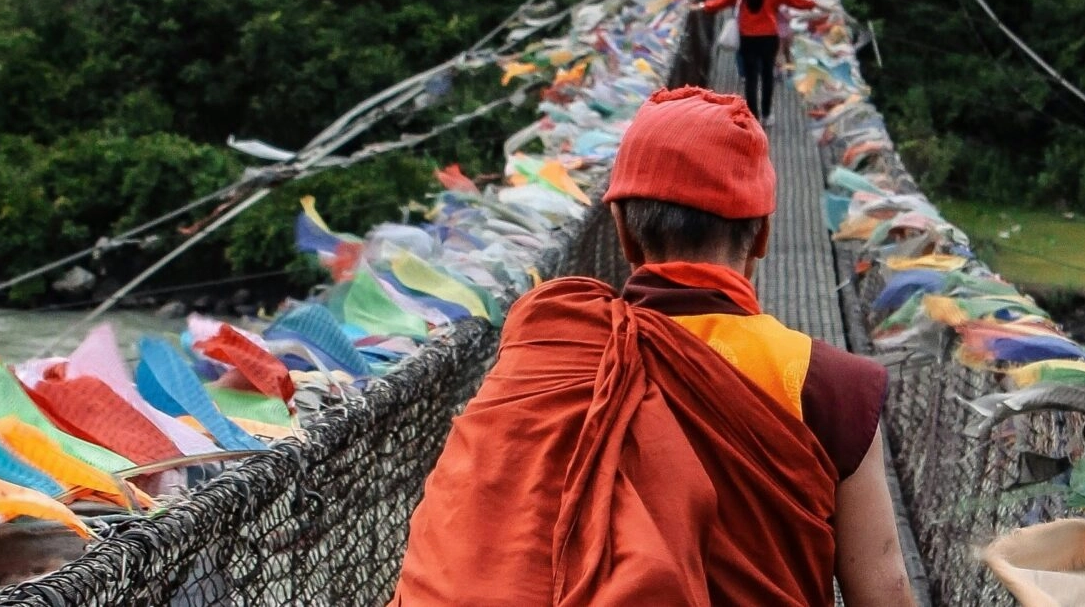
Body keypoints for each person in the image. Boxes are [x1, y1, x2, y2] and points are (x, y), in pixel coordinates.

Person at [390, 87, 916, 607]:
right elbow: (884, 589)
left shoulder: (552, 355)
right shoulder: (829, 384)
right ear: (761, 235)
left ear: (621, 230)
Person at [699, 0, 815, 126]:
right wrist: (815, 4)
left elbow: (722, 1)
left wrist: (703, 5)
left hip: (748, 38)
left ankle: (753, 116)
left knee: (751, 78)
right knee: (768, 75)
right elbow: (796, 0)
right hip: (769, 37)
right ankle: (767, 113)